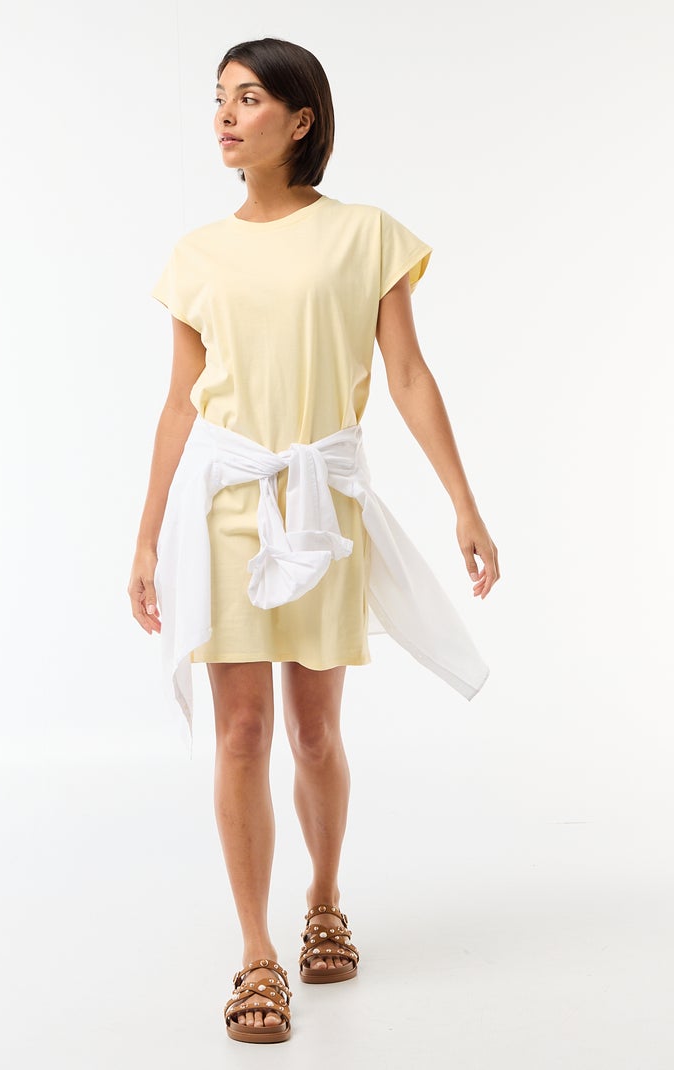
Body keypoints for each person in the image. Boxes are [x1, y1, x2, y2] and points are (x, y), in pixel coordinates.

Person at [128, 37, 500, 1044]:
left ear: (301, 120)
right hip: (227, 506)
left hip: (322, 505)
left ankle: (324, 899)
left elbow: (408, 374)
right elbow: (178, 404)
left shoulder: (364, 235)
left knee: (314, 730)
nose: (224, 114)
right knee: (241, 730)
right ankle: (257, 953)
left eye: (248, 97)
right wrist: (147, 536)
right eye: (218, 97)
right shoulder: (195, 256)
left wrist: (463, 503)